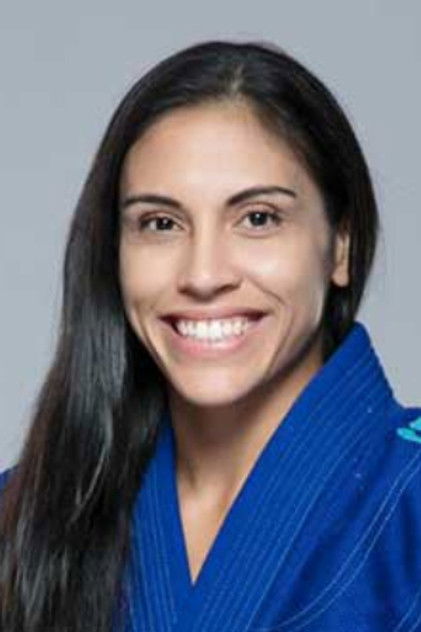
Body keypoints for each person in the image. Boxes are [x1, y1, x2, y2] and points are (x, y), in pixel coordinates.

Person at [0, 39, 420, 632]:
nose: (202, 275)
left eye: (258, 219)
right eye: (161, 223)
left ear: (340, 247)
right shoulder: (23, 519)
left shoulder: (408, 502)